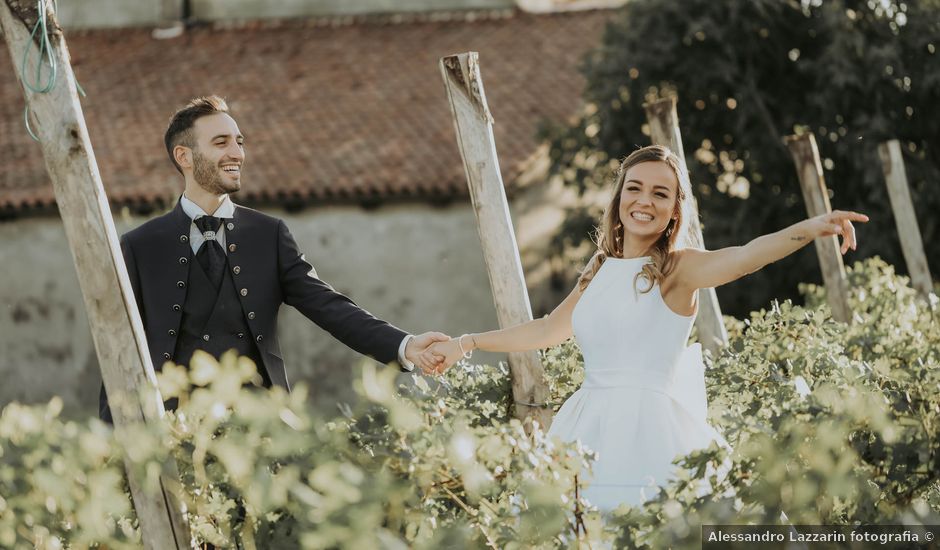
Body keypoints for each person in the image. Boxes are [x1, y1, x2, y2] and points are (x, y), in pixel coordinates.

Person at [428, 145, 868, 510]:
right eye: (634, 189)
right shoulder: (599, 268)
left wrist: (811, 228)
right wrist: (465, 343)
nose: (644, 201)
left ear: (675, 210)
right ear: (619, 200)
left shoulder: (679, 269)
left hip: (652, 429)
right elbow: (546, 329)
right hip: (585, 425)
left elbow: (746, 255)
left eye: (660, 194)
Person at [99, 96, 447, 424]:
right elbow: (117, 348)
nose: (237, 153)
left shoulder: (268, 235)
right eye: (221, 143)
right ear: (184, 156)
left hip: (260, 428)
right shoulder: (140, 246)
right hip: (172, 430)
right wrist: (114, 442)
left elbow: (328, 305)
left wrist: (404, 344)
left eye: (239, 141)